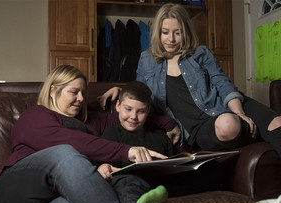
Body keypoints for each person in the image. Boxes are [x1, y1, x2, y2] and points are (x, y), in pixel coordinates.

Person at [98, 3, 281, 158]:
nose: (171, 39)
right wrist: (119, 89)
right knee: (228, 125)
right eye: (165, 32)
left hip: (227, 105)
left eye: (177, 33)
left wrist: (241, 113)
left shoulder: (200, 53)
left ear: (185, 32)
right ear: (157, 33)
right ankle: (248, 130)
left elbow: (222, 83)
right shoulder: (147, 59)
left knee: (277, 123)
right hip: (201, 127)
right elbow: (140, 92)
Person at [0, 65, 180, 203]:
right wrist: (127, 151)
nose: (81, 99)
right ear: (52, 91)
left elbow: (131, 117)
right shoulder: (35, 115)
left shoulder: (90, 120)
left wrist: (170, 124)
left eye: (83, 92)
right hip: (12, 194)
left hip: (52, 200)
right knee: (64, 152)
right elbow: (67, 141)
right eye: (74, 92)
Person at [102, 80, 176, 164]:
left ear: (148, 111)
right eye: (128, 109)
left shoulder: (161, 137)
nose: (133, 117)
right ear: (118, 106)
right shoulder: (110, 136)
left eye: (141, 111)